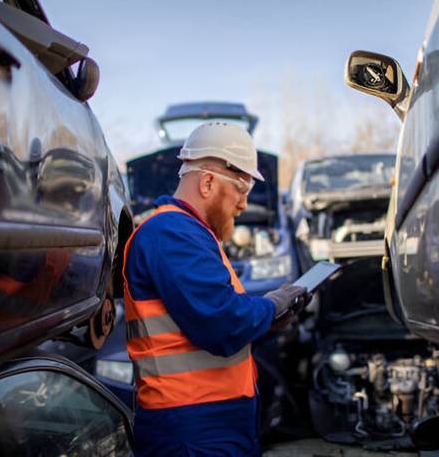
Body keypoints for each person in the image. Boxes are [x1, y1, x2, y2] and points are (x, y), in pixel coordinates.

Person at [122, 121, 308, 456]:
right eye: (242, 190)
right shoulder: (172, 232)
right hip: (191, 428)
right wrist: (271, 306)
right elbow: (222, 323)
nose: (243, 205)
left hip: (211, 421)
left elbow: (216, 315)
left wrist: (268, 319)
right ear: (207, 182)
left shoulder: (191, 233)